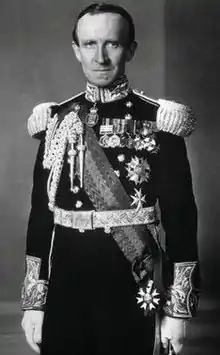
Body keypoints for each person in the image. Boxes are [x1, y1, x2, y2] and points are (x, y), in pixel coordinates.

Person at [21, 3, 199, 355]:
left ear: (130, 49)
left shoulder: (159, 122)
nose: (100, 57)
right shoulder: (57, 120)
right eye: (89, 44)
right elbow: (41, 217)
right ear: (76, 50)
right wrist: (33, 302)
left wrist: (178, 310)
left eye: (112, 44)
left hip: (133, 284)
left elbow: (180, 219)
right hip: (66, 287)